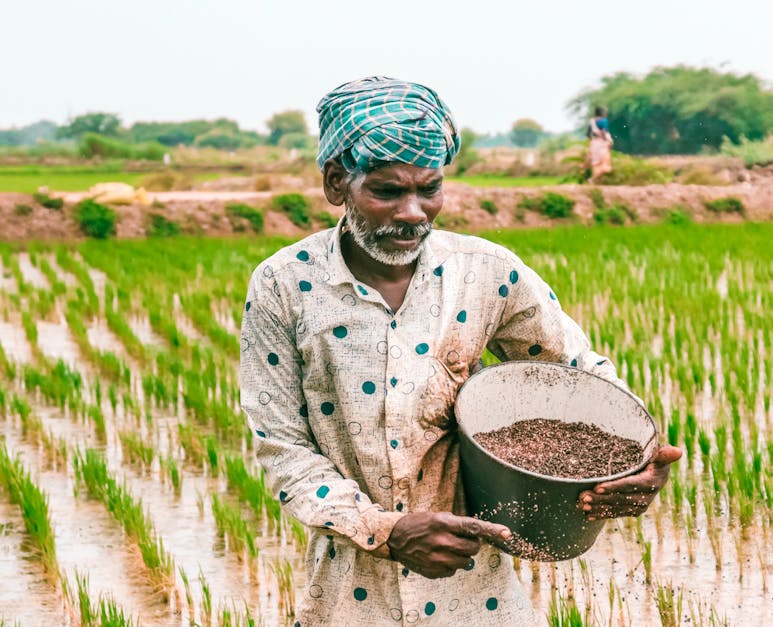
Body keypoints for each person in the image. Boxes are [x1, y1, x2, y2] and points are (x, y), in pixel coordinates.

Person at [238, 77, 682, 625]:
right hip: (349, 593)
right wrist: (385, 530)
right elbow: (281, 444)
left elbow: (579, 375)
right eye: (387, 191)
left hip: (478, 593)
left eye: (429, 189)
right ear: (336, 183)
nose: (413, 212)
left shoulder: (486, 272)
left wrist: (639, 461)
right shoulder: (285, 284)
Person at [586, 105, 614, 183]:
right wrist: (608, 141)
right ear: (603, 112)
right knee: (606, 165)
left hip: (594, 143)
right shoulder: (604, 120)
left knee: (596, 164)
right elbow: (604, 132)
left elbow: (588, 134)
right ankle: (593, 179)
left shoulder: (591, 122)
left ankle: (595, 183)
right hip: (602, 143)